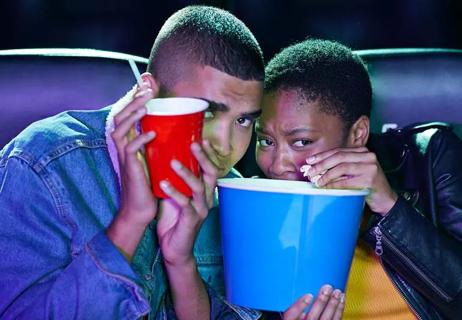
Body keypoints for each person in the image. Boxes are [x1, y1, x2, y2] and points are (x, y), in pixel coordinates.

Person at [0, 6, 341, 320]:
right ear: (148, 94)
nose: (224, 146)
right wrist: (131, 222)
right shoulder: (42, 166)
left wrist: (181, 264)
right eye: (207, 112)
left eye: (243, 121)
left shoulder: (230, 197)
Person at [255, 38, 462, 320]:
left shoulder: (431, 158)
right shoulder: (255, 208)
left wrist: (389, 207)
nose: (278, 165)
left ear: (357, 134)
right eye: (265, 141)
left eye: (302, 141)